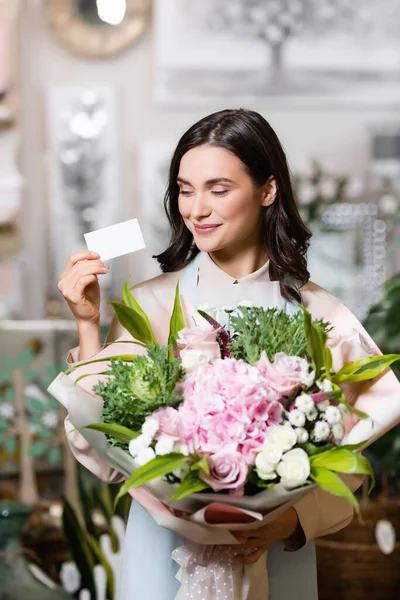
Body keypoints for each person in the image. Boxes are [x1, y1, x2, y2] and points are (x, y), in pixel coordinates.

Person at [57, 109, 399, 599]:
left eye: (218, 189)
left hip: (278, 558)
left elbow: (352, 461)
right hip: (162, 556)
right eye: (184, 189)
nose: (196, 209)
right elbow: (104, 455)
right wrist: (87, 325)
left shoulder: (321, 314)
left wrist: (295, 520)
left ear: (268, 190)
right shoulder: (151, 304)